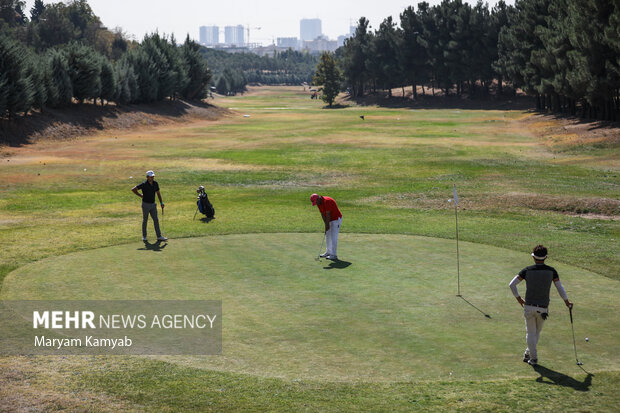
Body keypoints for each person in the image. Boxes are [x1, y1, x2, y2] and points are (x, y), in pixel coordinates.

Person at [509, 245, 572, 366]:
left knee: (531, 333)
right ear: (546, 257)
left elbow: (512, 285)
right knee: (536, 333)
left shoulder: (527, 270)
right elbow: (560, 288)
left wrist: (518, 299)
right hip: (543, 308)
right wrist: (567, 302)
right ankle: (532, 357)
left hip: (529, 306)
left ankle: (530, 355)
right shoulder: (552, 271)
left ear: (533, 257)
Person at [132, 170, 167, 242]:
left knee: (156, 220)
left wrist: (161, 203)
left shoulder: (155, 184)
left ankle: (159, 236)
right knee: (145, 220)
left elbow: (158, 193)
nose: (152, 178)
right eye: (151, 177)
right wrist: (141, 195)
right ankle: (144, 236)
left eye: (153, 176)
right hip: (145, 205)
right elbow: (133, 189)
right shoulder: (144, 184)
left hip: (153, 204)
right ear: (147, 177)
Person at [310, 194, 342, 261]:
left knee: (333, 237)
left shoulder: (327, 201)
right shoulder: (319, 203)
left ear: (318, 198)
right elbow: (322, 214)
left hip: (336, 219)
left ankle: (334, 255)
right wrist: (326, 225)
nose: (316, 204)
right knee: (328, 235)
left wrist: (327, 225)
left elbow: (328, 214)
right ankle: (328, 252)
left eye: (316, 202)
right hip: (329, 219)